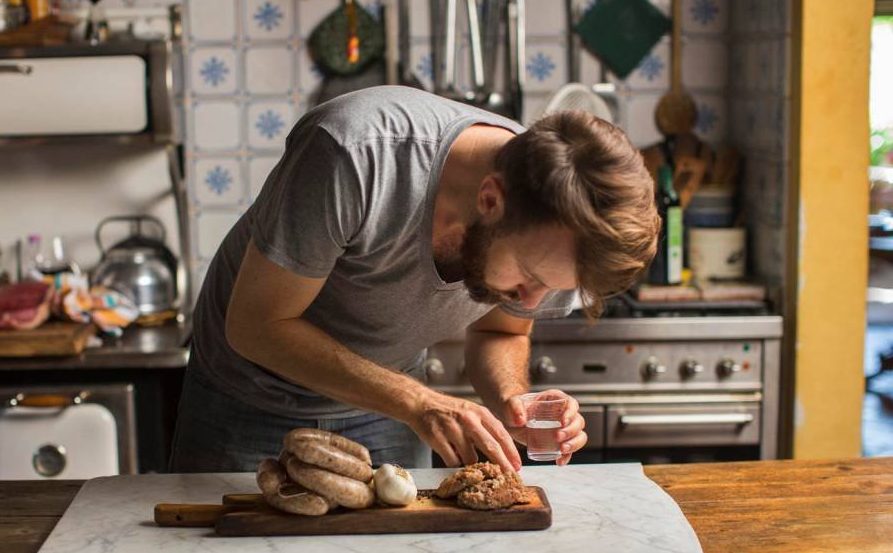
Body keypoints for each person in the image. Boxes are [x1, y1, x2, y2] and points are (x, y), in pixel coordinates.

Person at [170, 86, 659, 474]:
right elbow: (257, 326)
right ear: (490, 200)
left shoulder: (557, 223)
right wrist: (419, 401)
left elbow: (499, 332)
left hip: (387, 411)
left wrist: (516, 402)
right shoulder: (355, 154)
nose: (531, 301)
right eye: (530, 278)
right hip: (243, 398)